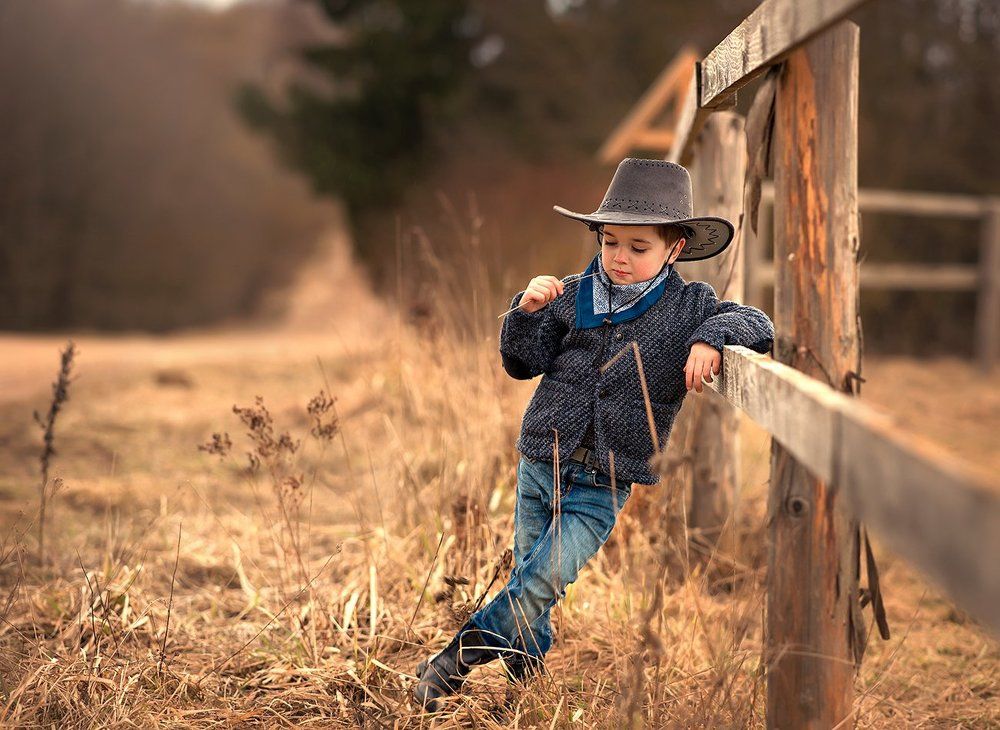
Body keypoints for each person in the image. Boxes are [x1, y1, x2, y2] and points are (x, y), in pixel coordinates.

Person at [412, 157, 776, 712]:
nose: (620, 258)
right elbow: (521, 363)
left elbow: (758, 324)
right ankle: (524, 687)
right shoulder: (573, 294)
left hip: (602, 483)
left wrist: (709, 338)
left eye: (638, 246)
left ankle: (452, 662)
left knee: (542, 582)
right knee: (528, 574)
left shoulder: (689, 308)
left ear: (674, 247)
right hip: (541, 461)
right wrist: (526, 311)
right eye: (611, 243)